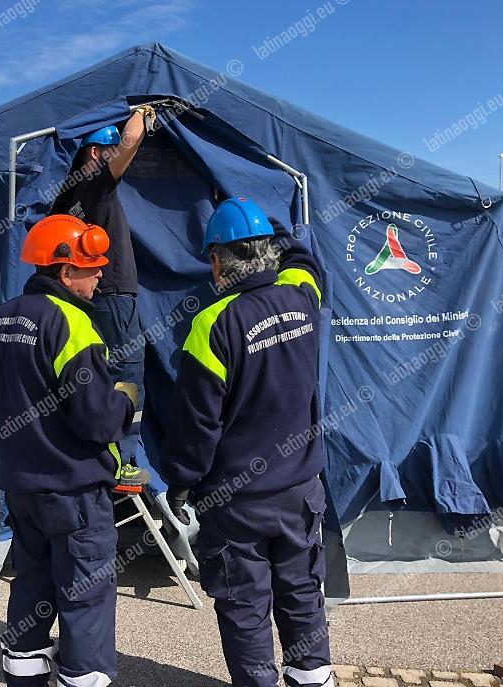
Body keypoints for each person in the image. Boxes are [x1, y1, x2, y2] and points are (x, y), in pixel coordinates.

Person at [161, 198, 331, 687]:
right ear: (267, 250)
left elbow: (197, 423)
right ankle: (313, 678)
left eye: (213, 258)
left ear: (219, 260)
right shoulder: (302, 295)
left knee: (244, 604)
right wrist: (272, 225)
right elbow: (304, 260)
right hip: (300, 490)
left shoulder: (212, 324)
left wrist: (181, 481)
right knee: (302, 590)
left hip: (236, 501)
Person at [0, 214, 139, 687]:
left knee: (32, 583)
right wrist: (125, 399)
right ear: (66, 271)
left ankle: (24, 675)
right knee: (85, 594)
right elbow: (95, 420)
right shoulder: (73, 324)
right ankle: (84, 677)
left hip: (21, 486)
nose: (100, 275)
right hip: (74, 489)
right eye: (92, 267)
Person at [51, 105, 155, 478]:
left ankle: (97, 452)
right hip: (113, 291)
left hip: (93, 293)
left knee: (99, 371)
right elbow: (130, 139)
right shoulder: (96, 180)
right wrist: (141, 114)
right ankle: (121, 461)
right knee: (127, 373)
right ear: (95, 153)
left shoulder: (67, 198)